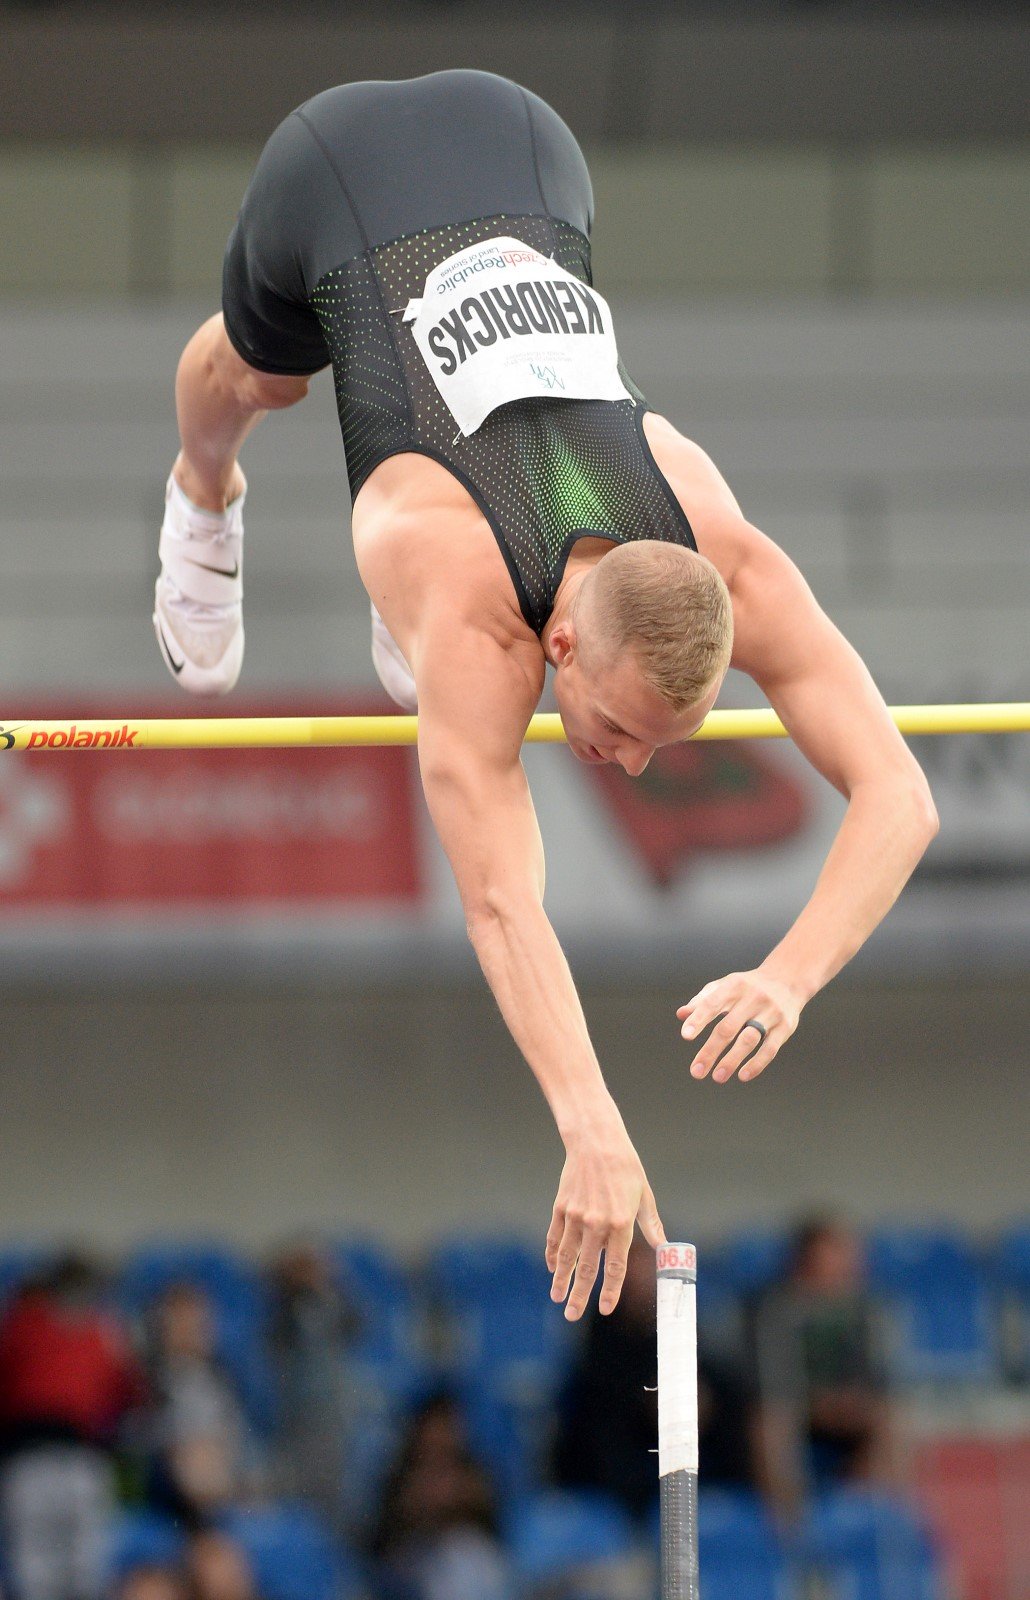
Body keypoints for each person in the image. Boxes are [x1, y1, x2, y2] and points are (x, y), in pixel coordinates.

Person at [155, 70, 938, 1321]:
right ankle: (201, 496)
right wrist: (592, 1124)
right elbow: (501, 901)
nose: (624, 765)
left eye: (651, 745)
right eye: (619, 728)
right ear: (560, 640)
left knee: (425, 593)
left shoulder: (719, 548)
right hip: (339, 174)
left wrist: (788, 976)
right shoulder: (476, 612)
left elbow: (899, 793)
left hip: (526, 141)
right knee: (261, 381)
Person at [552, 1237, 752, 1520]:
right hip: (622, 1453)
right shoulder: (602, 1327)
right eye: (636, 1266)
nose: (643, 1277)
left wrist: (698, 1396)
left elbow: (705, 1374)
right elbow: (602, 1384)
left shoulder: (680, 1316)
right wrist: (650, 1396)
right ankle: (631, 1523)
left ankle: (729, 1505)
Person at [0, 1252, 145, 1600]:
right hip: (35, 1462)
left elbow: (128, 1395)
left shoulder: (95, 1329)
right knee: (47, 1578)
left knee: (76, 1576)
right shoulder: (30, 1326)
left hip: (73, 1461)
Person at [749, 1215, 899, 1524]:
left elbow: (875, 1374)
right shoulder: (775, 1308)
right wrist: (816, 1401)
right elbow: (772, 1379)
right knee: (771, 1425)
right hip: (791, 1408)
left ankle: (868, 1524)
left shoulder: (861, 1309)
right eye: (836, 1254)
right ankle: (789, 1527)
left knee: (889, 1419)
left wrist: (852, 1399)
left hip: (843, 1408)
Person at [368, 1392, 509, 1600]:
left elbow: (495, 1526)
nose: (439, 1437)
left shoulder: (476, 1478)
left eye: (446, 1430)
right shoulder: (398, 1480)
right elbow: (379, 1543)